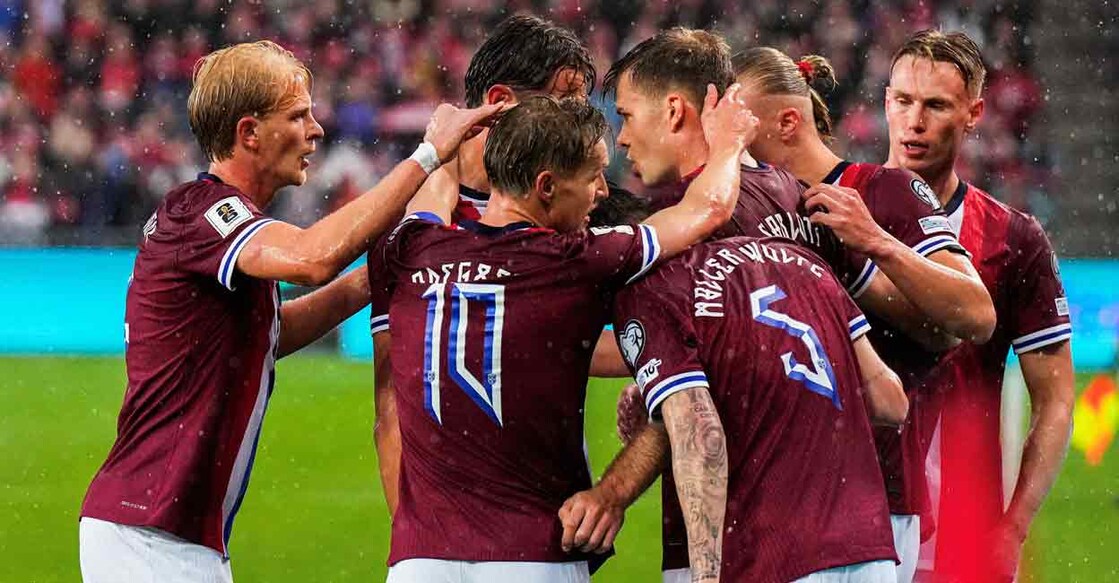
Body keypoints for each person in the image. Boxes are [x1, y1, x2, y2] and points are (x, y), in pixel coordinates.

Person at [77, 40, 502, 583]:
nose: (316, 131)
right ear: (249, 133)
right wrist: (427, 157)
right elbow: (311, 259)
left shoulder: (218, 232)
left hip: (171, 535)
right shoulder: (203, 212)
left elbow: (272, 334)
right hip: (147, 534)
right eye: (299, 116)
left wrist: (374, 278)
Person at [367, 92, 757, 582]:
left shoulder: (406, 250)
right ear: (546, 186)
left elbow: (430, 195)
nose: (600, 191)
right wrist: (728, 144)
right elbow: (711, 209)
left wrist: (438, 144)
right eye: (592, 174)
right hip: (533, 555)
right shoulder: (578, 262)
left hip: (419, 563)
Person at [730, 46, 999, 580]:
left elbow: (977, 314)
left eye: (736, 122)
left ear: (785, 122)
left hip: (873, 492)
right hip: (771, 490)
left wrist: (876, 242)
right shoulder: (744, 206)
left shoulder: (885, 191)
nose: (723, 139)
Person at [371, 14, 607, 514]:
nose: (579, 120)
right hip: (442, 537)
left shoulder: (580, 206)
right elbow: (391, 401)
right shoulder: (408, 218)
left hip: (548, 520)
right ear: (499, 103)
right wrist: (409, 539)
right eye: (565, 103)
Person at [882, 30, 1073, 582]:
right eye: (903, 101)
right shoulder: (831, 211)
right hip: (846, 528)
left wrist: (1013, 528)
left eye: (936, 105)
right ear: (885, 101)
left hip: (961, 535)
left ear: (973, 114)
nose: (914, 121)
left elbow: (1056, 400)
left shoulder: (1013, 239)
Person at [613, 235, 908, 582]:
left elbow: (704, 441)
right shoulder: (808, 263)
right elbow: (891, 402)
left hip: (774, 555)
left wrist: (705, 578)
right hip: (866, 549)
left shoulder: (658, 287)